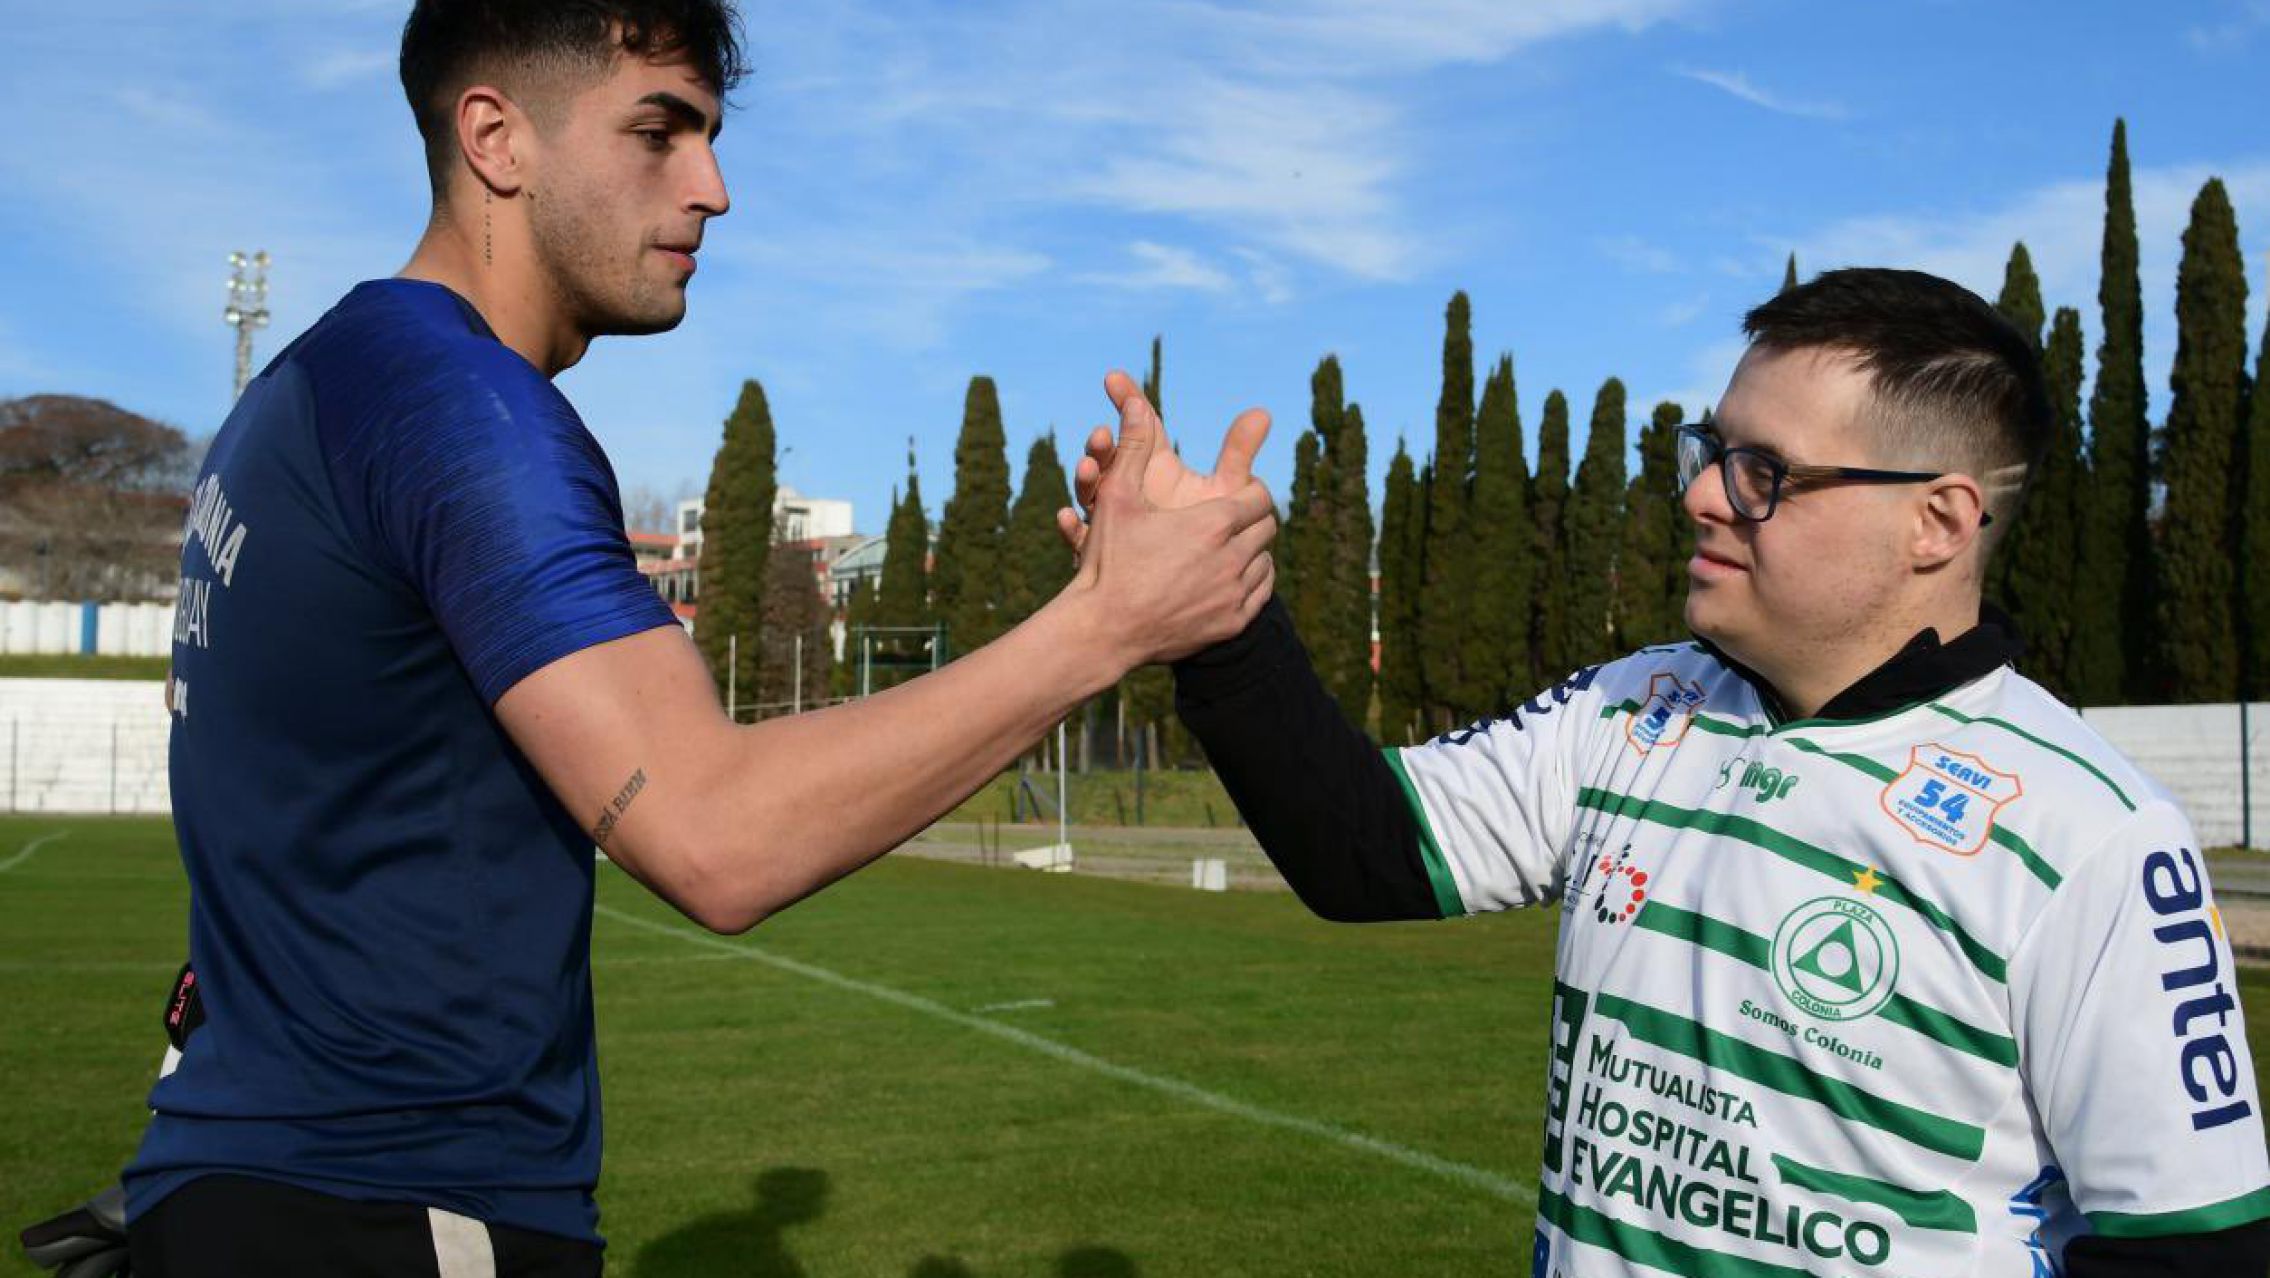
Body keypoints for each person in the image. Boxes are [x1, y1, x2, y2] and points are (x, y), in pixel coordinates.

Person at [95, 2, 1277, 1274]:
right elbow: (714, 834)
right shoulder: (463, 410)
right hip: (387, 1206)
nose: (712, 188)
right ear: (495, 137)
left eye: (708, 136)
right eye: (658, 132)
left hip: (243, 1181)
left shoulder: (304, 393)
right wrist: (1108, 623)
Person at [1064, 268, 2270, 1277]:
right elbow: (1361, 847)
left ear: (1937, 523)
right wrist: (1215, 624)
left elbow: (2190, 1250)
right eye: (1710, 451)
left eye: (1763, 472)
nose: (1699, 494)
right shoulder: (1633, 705)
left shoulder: (2090, 835)